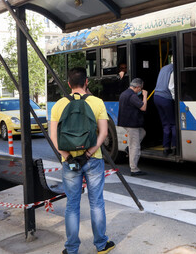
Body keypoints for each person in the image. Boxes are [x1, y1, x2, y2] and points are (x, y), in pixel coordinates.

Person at [50, 67, 115, 254]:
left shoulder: (58, 105)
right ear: (87, 82)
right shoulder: (97, 102)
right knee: (97, 202)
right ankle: (101, 245)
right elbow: (103, 133)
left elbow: (54, 138)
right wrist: (88, 153)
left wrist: (68, 156)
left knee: (72, 204)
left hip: (69, 161)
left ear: (69, 84)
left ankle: (71, 249)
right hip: (93, 159)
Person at [118, 78, 147, 176]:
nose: (141, 90)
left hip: (127, 122)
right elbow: (143, 107)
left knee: (142, 132)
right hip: (132, 124)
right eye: (141, 88)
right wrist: (145, 96)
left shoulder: (124, 93)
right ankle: (134, 169)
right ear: (138, 87)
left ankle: (128, 148)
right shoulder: (132, 96)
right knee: (135, 146)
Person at [153, 63, 177, 156]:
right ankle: (174, 147)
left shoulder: (163, 68)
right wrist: (176, 100)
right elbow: (171, 87)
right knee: (173, 123)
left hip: (157, 97)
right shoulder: (173, 69)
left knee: (165, 123)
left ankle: (166, 148)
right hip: (166, 98)